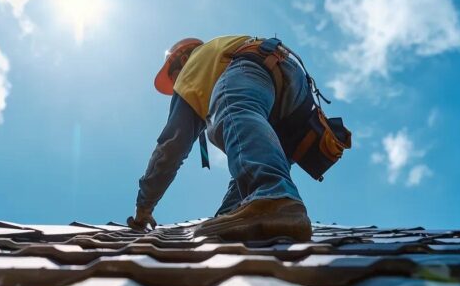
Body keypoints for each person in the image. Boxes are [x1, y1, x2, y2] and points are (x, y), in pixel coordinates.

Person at [129, 35, 324, 242]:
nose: (178, 83)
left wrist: (144, 206)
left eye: (174, 76)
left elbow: (172, 145)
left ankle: (273, 198)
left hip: (252, 67)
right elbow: (251, 153)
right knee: (253, 150)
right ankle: (250, 212)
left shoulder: (193, 67)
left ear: (182, 59)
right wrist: (223, 217)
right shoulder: (219, 51)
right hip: (295, 90)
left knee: (233, 109)